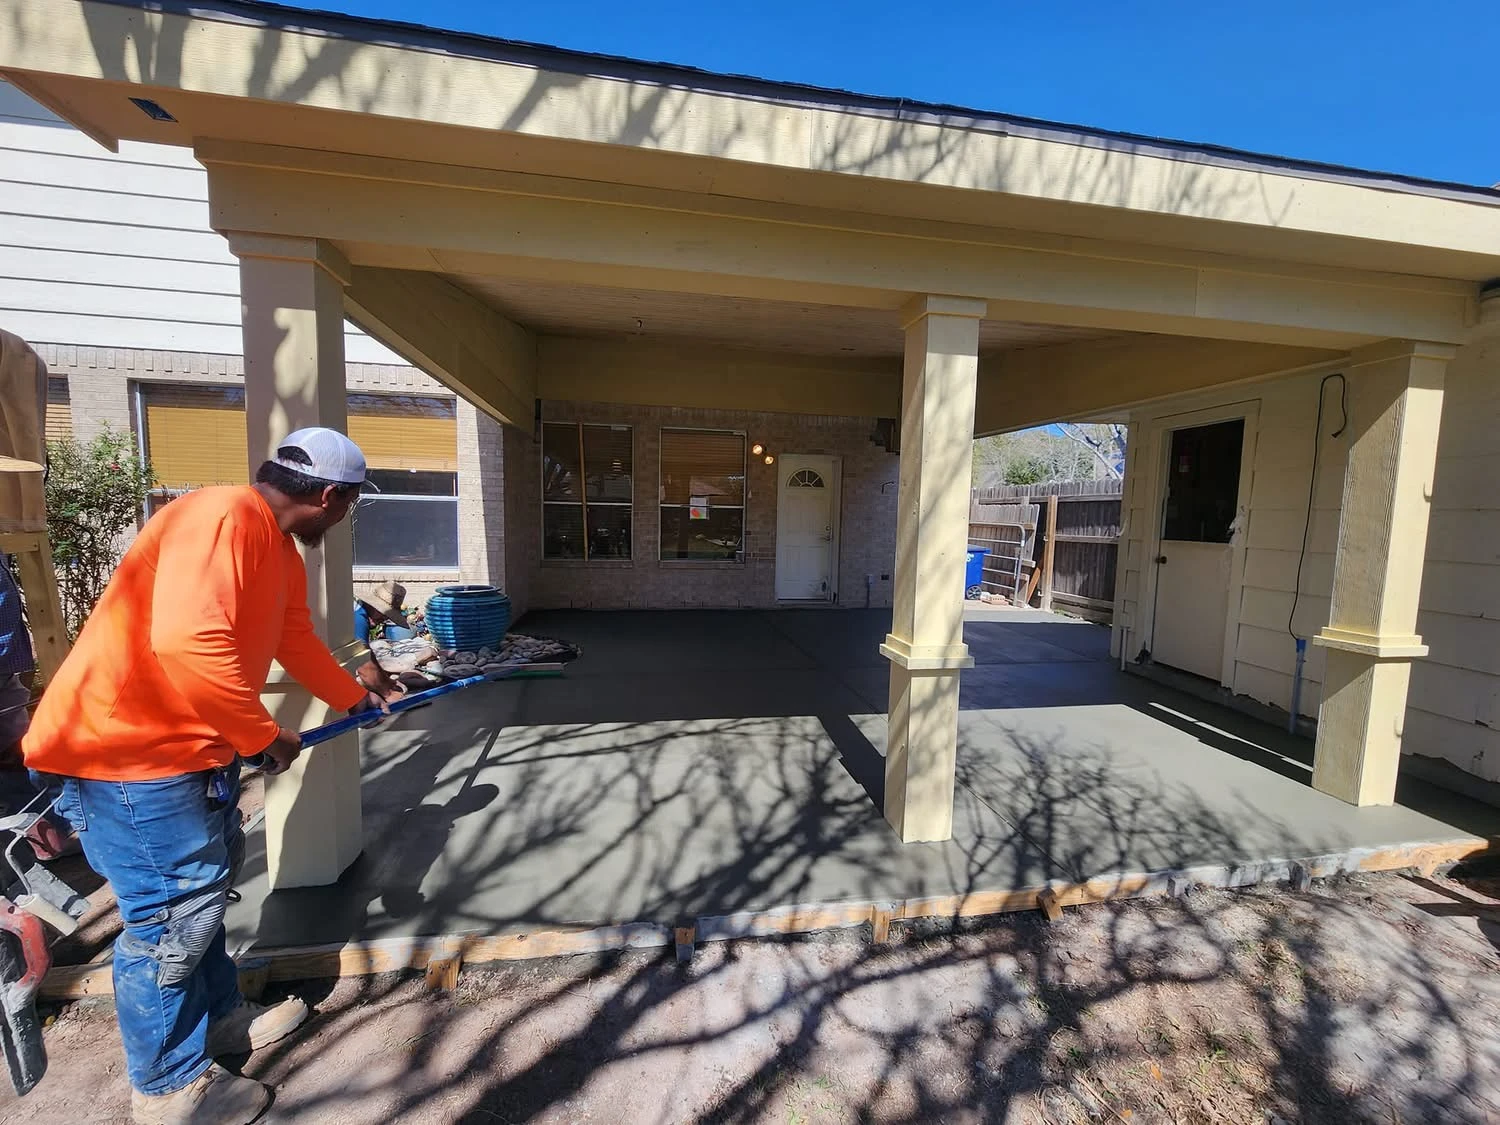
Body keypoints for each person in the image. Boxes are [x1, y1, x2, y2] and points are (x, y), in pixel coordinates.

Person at [24, 427, 400, 1125]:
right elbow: (187, 642)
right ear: (330, 496)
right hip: (128, 757)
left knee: (200, 900)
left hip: (188, 754)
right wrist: (263, 736)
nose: (344, 517)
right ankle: (168, 1087)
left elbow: (292, 638)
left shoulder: (276, 547)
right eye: (350, 505)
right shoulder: (220, 515)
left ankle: (220, 1018)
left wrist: (353, 697)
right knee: (170, 922)